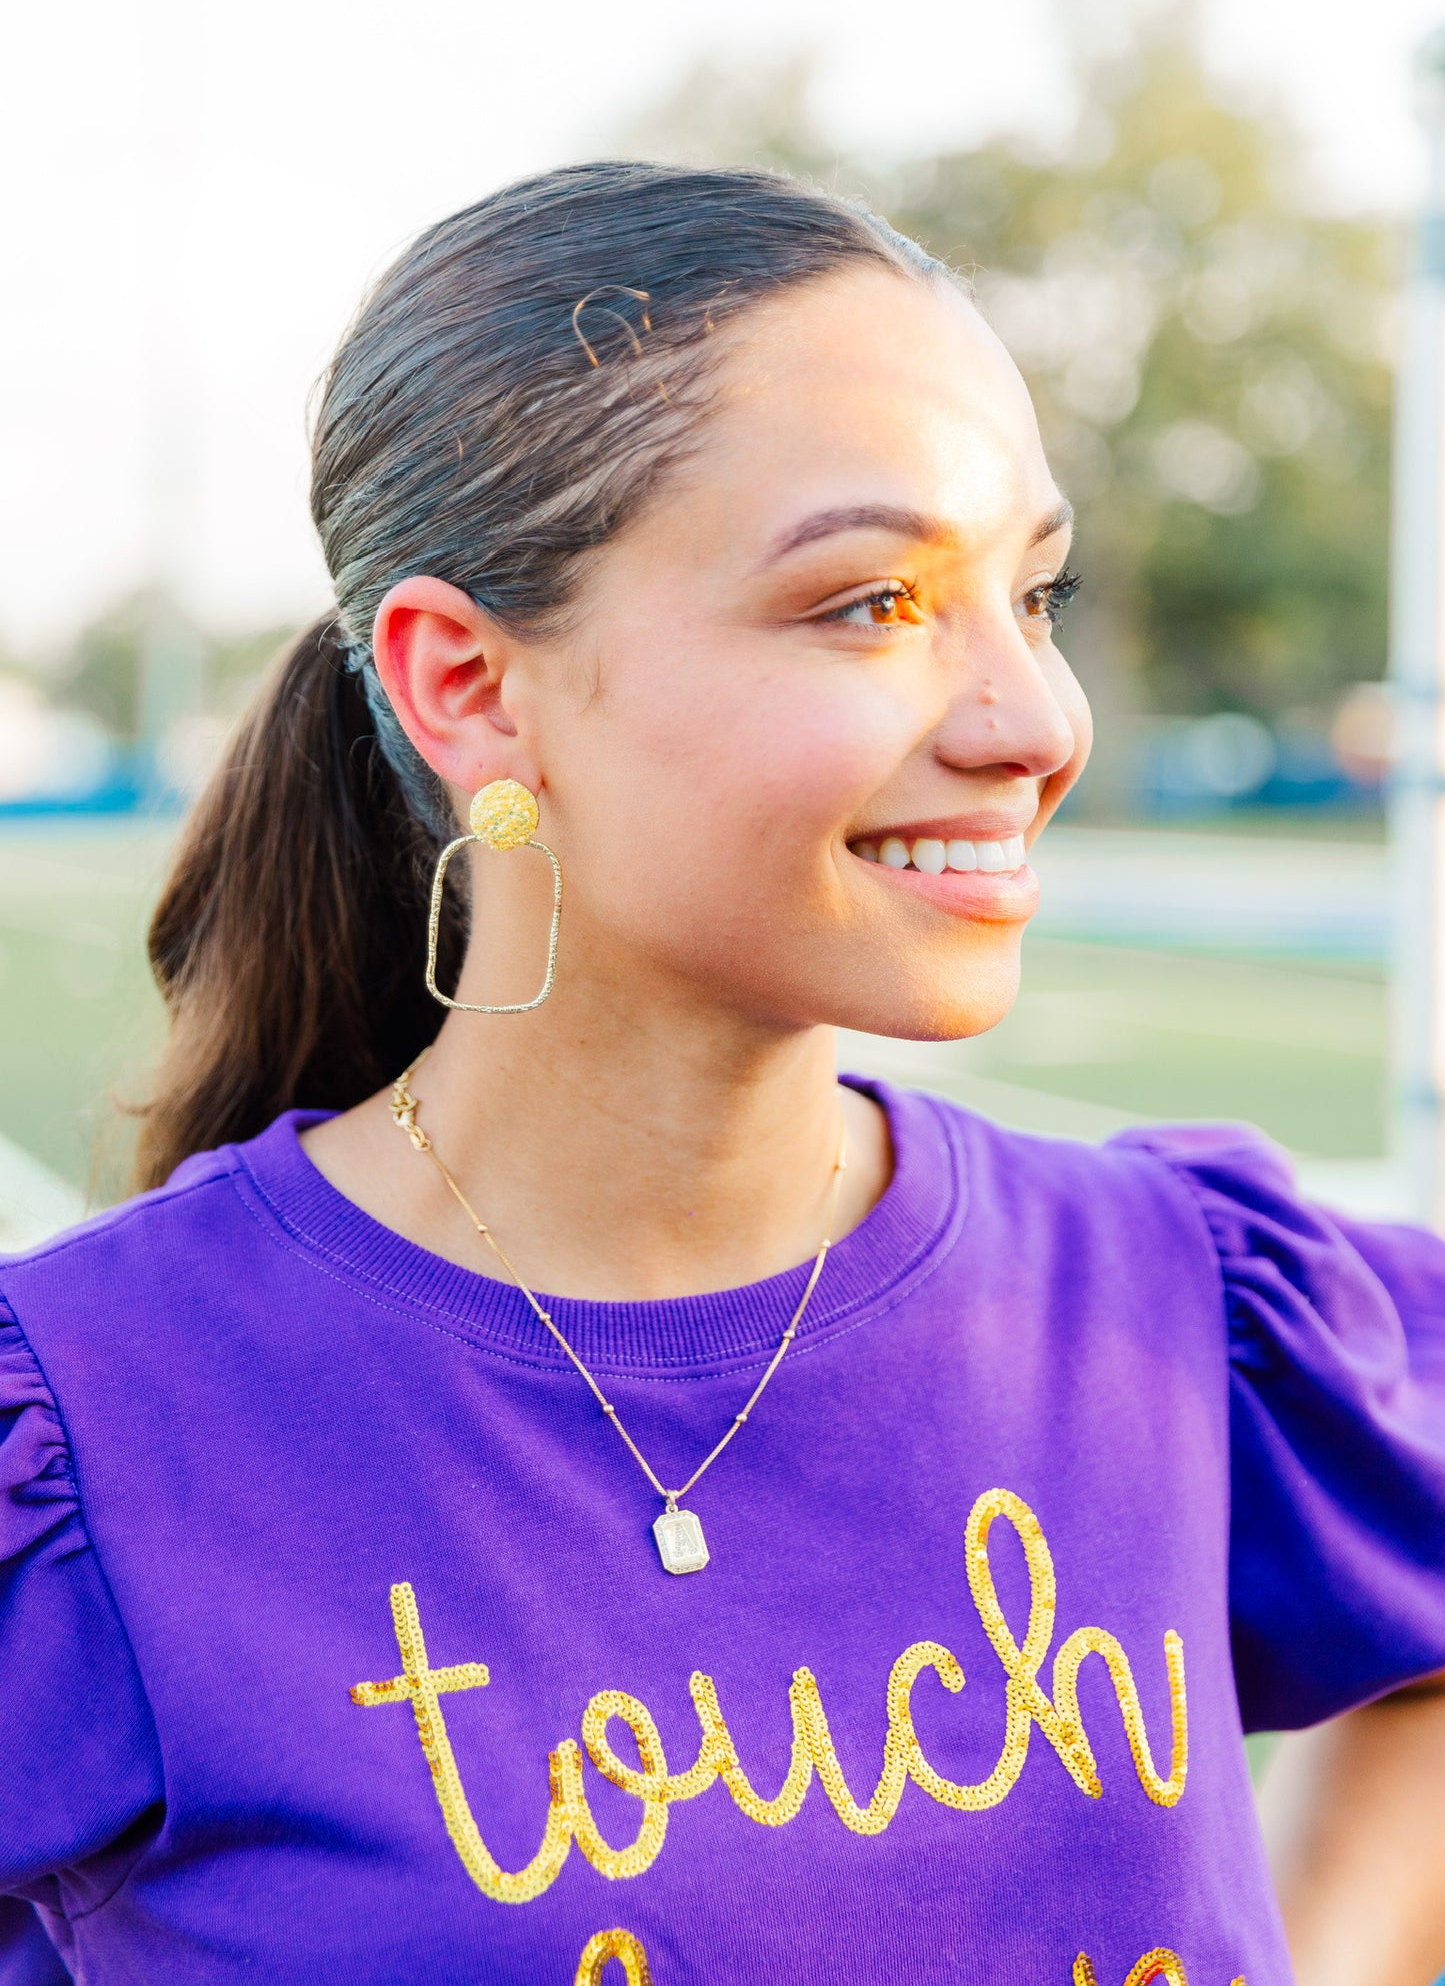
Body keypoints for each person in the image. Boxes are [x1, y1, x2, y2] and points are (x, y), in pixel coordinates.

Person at [1, 163, 1442, 1986]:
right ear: (467, 687)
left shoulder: (1181, 1300)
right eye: (869, 604)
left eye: (1033, 595)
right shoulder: (91, 1436)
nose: (1032, 722)